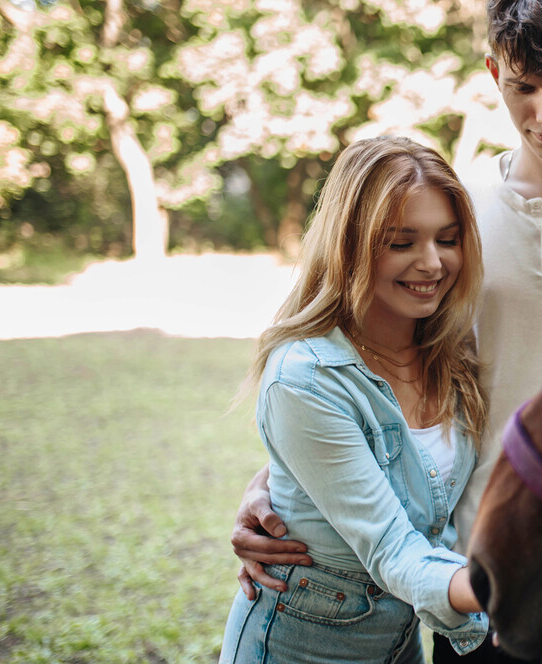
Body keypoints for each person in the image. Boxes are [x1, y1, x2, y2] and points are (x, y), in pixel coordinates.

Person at [230, 1, 542, 662]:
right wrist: (276, 482)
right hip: (471, 584)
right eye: (523, 88)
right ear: (494, 74)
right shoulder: (447, 211)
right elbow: (371, 367)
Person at [219, 136, 489, 663]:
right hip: (296, 649)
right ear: (351, 244)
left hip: (398, 645)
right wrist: (520, 586)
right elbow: (394, 547)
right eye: (401, 242)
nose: (431, 263)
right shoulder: (305, 378)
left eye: (447, 239)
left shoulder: (455, 355)